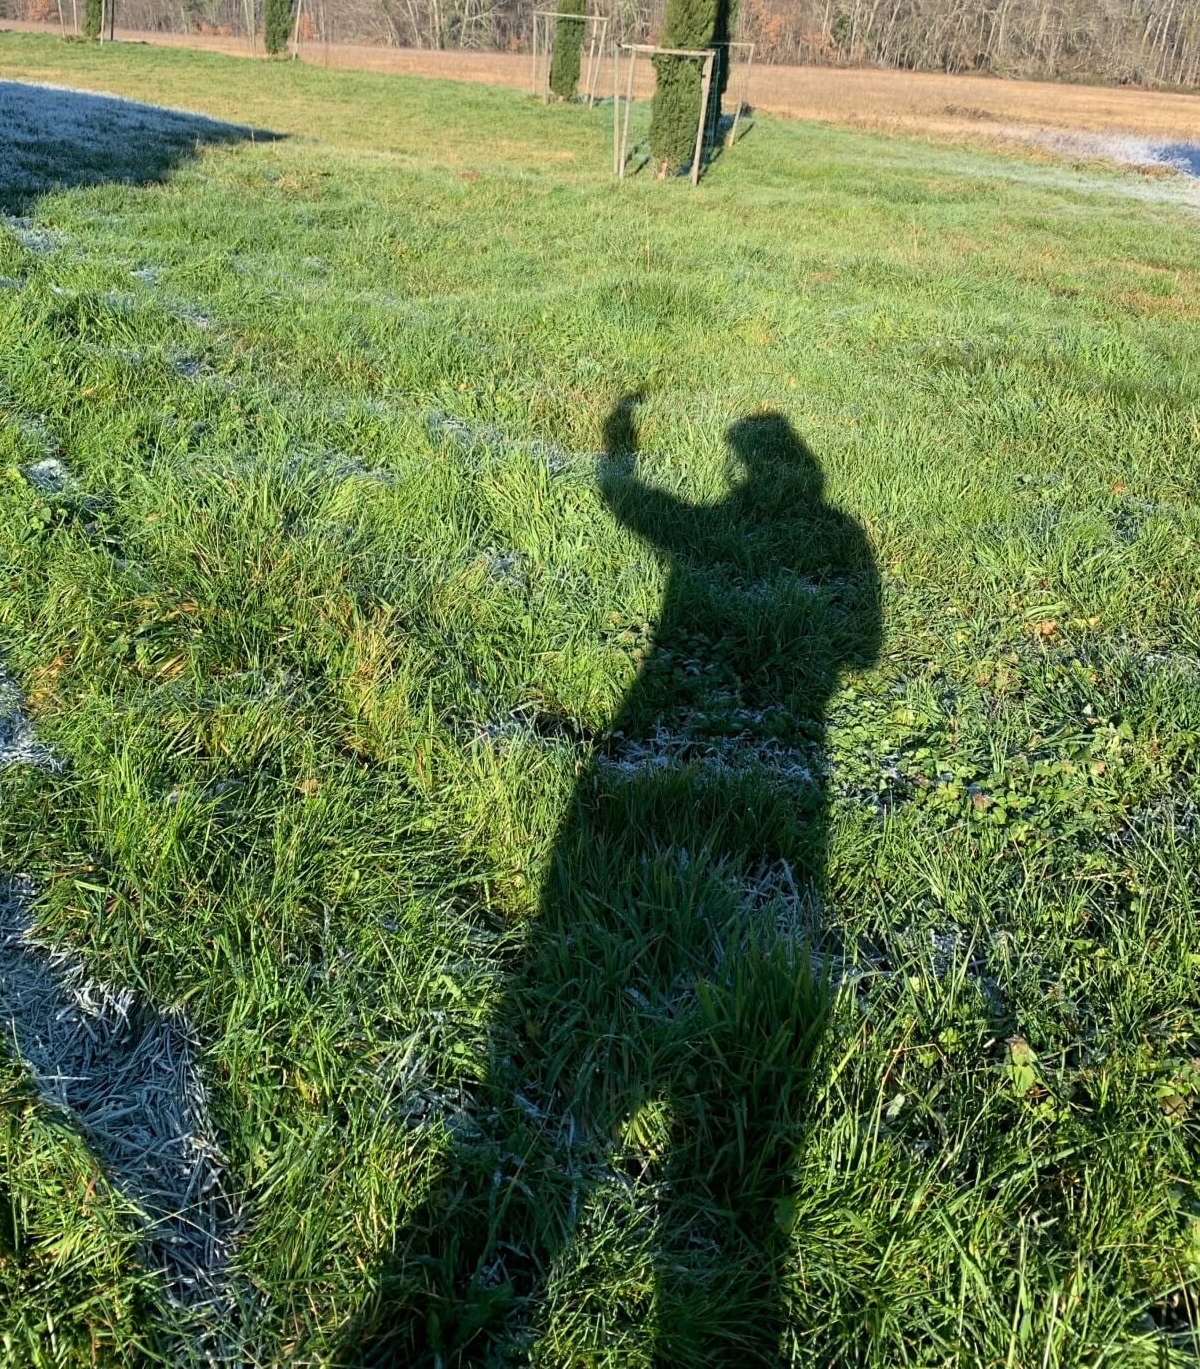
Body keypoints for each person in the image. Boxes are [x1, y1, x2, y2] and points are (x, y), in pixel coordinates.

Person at [347, 396, 881, 1365]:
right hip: (789, 755)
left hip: (676, 736)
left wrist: (622, 460)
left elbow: (642, 515)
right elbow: (863, 646)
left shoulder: (737, 528)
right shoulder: (835, 533)